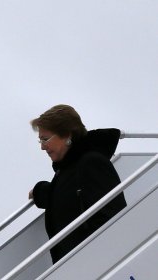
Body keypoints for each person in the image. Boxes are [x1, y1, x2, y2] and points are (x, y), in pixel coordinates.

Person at [28, 104, 127, 264]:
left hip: (92, 265)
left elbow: (112, 217)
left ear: (67, 135)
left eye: (45, 139)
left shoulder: (92, 163)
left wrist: (90, 263)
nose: (42, 147)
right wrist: (40, 192)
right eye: (40, 140)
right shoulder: (69, 170)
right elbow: (65, 196)